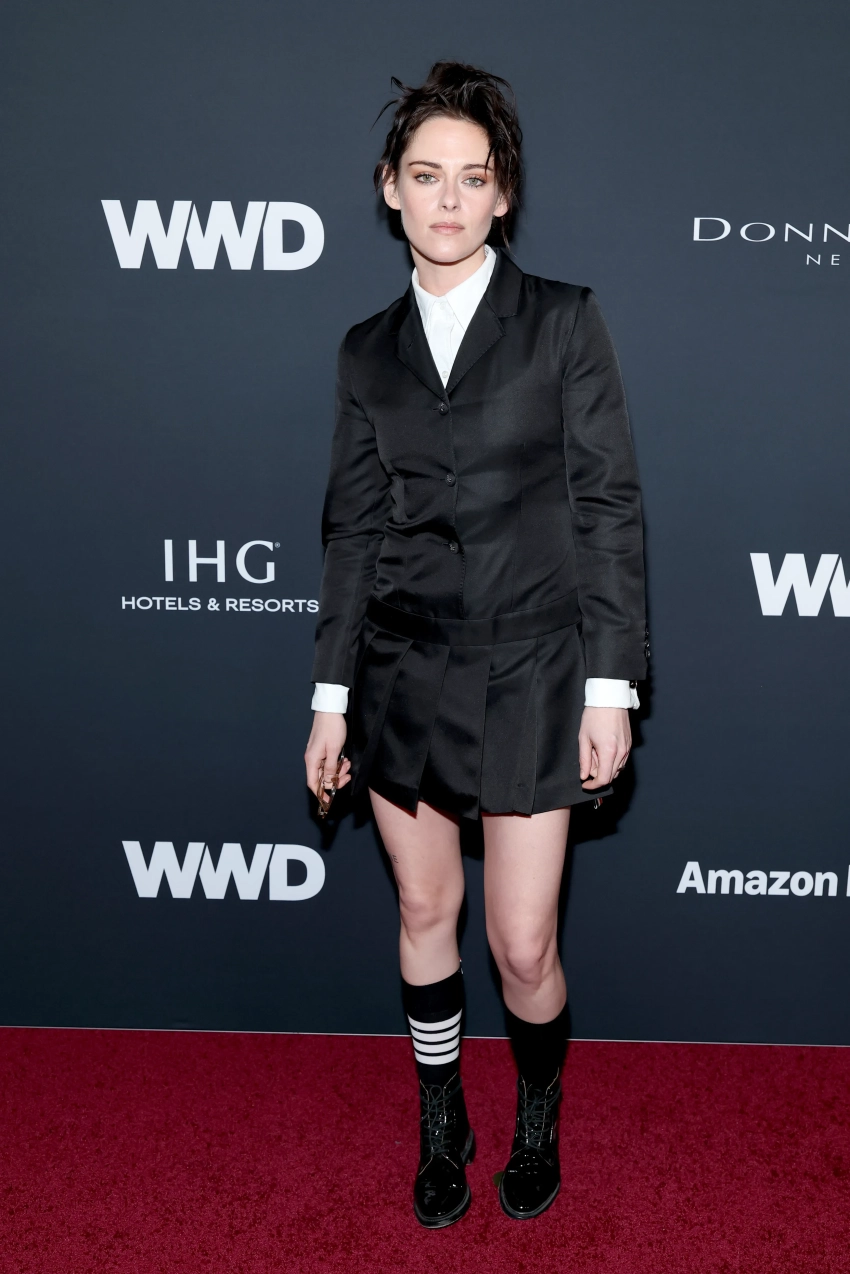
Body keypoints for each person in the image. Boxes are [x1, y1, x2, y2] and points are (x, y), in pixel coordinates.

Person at [304, 61, 648, 1228]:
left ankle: (537, 1111)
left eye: (471, 177)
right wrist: (330, 697)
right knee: (421, 913)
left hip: (537, 664)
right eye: (425, 175)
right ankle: (440, 1113)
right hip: (402, 665)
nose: (446, 199)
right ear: (387, 188)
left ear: (503, 195)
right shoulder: (365, 351)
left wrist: (611, 684)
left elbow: (608, 507)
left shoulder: (561, 322)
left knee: (522, 939)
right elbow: (353, 531)